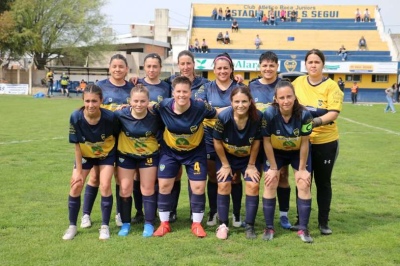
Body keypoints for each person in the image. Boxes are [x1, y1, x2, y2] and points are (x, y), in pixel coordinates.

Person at [152, 76, 218, 238]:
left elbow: (217, 113)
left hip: (195, 152)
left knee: (198, 187)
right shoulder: (164, 105)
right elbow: (147, 108)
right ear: (173, 92)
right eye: (178, 91)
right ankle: (164, 224)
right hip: (170, 152)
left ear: (191, 93)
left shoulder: (200, 107)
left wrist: (237, 109)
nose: (181, 95)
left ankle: (196, 224)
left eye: (185, 91)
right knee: (164, 186)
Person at [292, 49, 344, 235]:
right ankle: (301, 220)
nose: (313, 65)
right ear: (305, 64)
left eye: (317, 62)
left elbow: (333, 113)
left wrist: (314, 121)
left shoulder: (331, 86)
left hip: (326, 141)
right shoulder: (297, 83)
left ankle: (323, 222)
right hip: (303, 142)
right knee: (302, 180)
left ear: (323, 64)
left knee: (323, 182)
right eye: (310, 62)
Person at [80, 54, 133, 230]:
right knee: (95, 177)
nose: (117, 69)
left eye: (121, 66)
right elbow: (89, 109)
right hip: (100, 141)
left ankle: (119, 212)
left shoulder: (132, 88)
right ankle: (86, 214)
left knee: (119, 176)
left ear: (126, 69)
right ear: (109, 68)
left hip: (123, 139)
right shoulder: (99, 87)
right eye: (114, 66)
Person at [62, 84, 120, 240]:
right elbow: (76, 146)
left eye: (94, 101)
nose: (90, 105)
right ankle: (72, 226)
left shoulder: (110, 117)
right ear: (83, 100)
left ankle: (105, 226)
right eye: (87, 101)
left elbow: (117, 137)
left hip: (106, 154)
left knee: (105, 184)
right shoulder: (76, 117)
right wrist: (79, 172)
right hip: (86, 155)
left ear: (101, 100)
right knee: (75, 186)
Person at [261, 80, 314, 243]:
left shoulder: (305, 115)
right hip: (275, 152)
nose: (286, 101)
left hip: (297, 152)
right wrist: (273, 167)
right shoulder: (268, 114)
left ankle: (303, 229)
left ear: (294, 97)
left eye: (289, 96)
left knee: (303, 183)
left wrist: (303, 168)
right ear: (276, 99)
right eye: (282, 97)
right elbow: (266, 141)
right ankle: (269, 227)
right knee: (270, 181)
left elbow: (305, 142)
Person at [197, 53, 245, 229]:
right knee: (214, 175)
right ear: (214, 70)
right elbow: (203, 108)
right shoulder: (205, 88)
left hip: (235, 135)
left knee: (234, 176)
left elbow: (244, 108)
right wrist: (231, 108)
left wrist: (216, 110)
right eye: (219, 68)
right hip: (210, 135)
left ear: (231, 69)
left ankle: (237, 212)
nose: (223, 71)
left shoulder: (240, 86)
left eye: (226, 68)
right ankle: (214, 210)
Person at [249, 51, 292, 230]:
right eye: (265, 65)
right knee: (254, 179)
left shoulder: (283, 86)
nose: (268, 69)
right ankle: (250, 218)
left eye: (271, 65)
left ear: (277, 67)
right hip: (255, 140)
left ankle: (283, 215)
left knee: (281, 176)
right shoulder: (251, 86)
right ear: (260, 67)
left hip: (277, 141)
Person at [213, 86, 263, 240]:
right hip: (227, 157)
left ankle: (249, 225)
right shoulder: (223, 117)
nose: (240, 105)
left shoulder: (258, 117)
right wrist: (225, 165)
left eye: (244, 101)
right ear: (231, 102)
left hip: (249, 159)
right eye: (236, 102)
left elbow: (256, 142)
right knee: (223, 184)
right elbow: (217, 141)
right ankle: (222, 225)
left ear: (250, 102)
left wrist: (251, 165)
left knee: (253, 185)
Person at [114, 85, 162, 237]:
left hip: (149, 155)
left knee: (147, 189)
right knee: (125, 188)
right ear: (129, 101)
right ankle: (126, 223)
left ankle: (149, 223)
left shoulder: (155, 116)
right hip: (126, 155)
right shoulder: (120, 114)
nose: (139, 104)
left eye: (143, 101)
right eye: (135, 101)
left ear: (149, 101)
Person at [130, 53, 171, 224]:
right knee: (138, 176)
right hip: (139, 139)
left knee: (159, 176)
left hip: (162, 136)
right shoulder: (136, 84)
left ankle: (164, 211)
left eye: (155, 66)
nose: (152, 69)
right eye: (149, 66)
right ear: (144, 68)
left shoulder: (167, 86)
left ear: (160, 68)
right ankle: (140, 211)